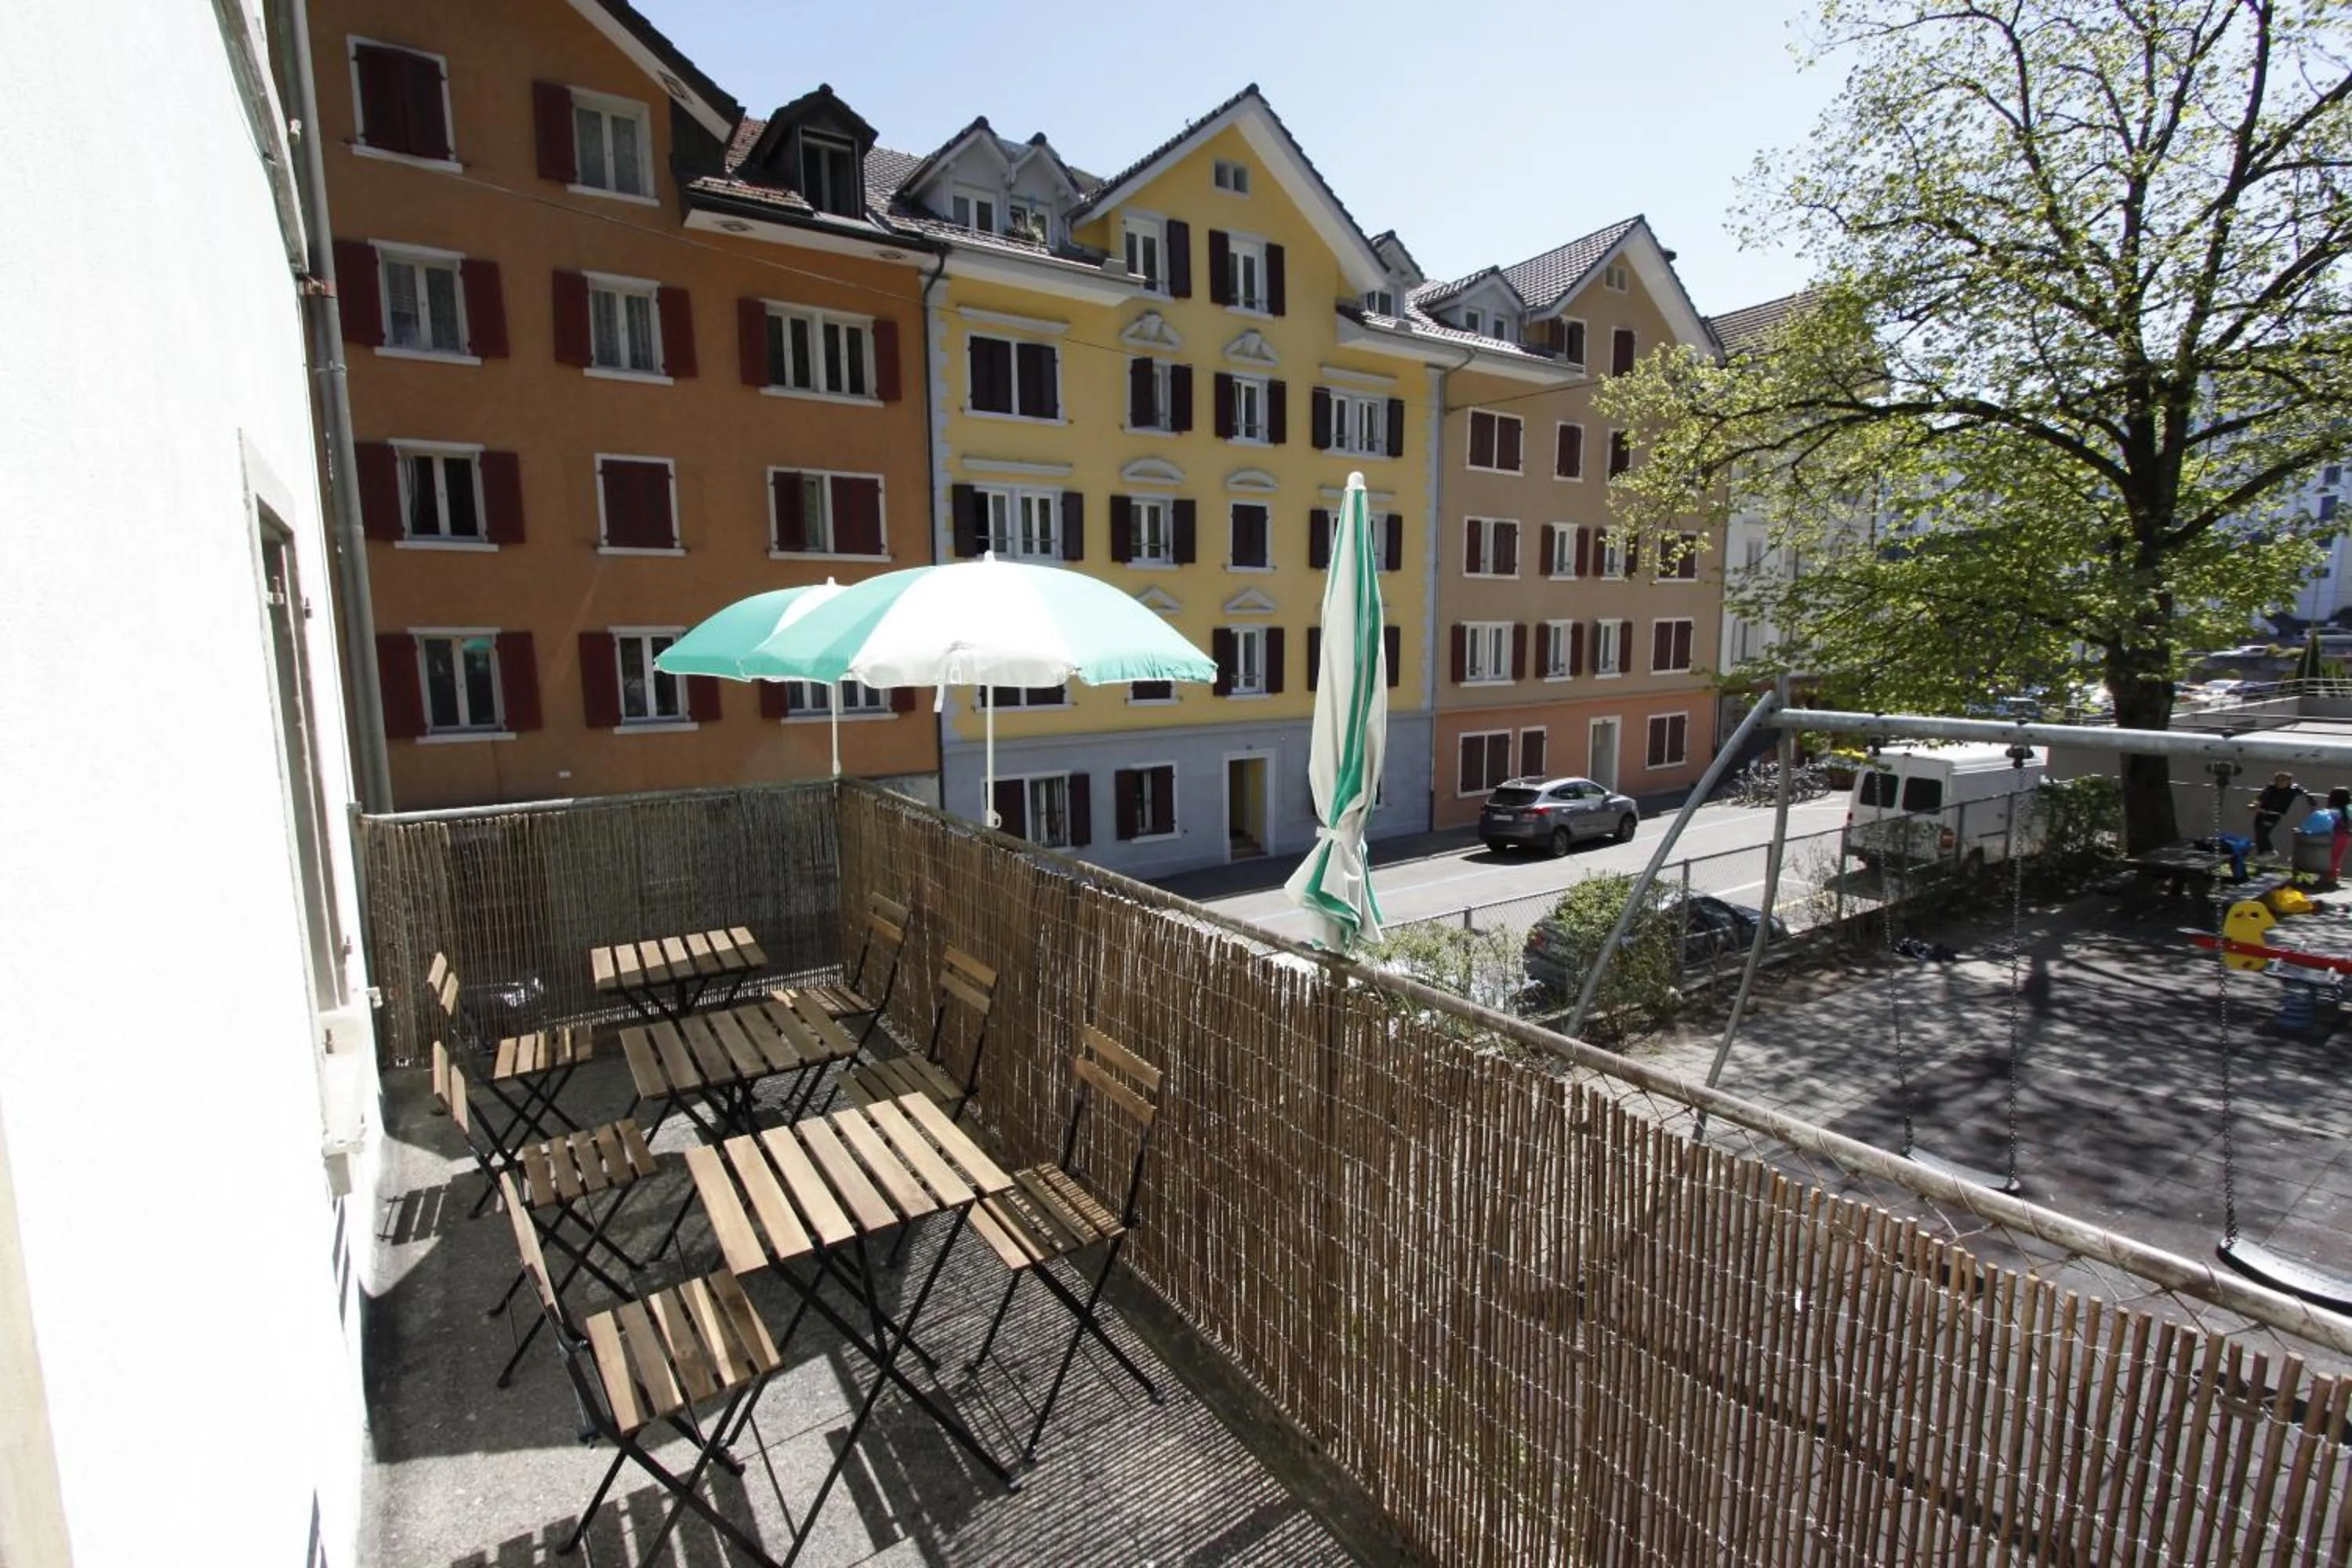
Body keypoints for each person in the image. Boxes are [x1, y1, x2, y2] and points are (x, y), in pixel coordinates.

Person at [2252, 771, 2307, 856]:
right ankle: (2262, 856)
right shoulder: (2271, 788)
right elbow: (2260, 797)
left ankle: (2271, 851)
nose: (2279, 782)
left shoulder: (2292, 790)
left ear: (2289, 782)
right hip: (2262, 813)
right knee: (2258, 835)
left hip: (2274, 815)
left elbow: (2305, 794)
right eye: (2277, 780)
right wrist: (2254, 804)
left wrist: (2310, 800)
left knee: (2263, 832)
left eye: (2282, 780)